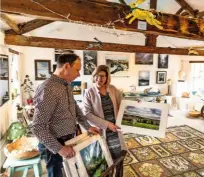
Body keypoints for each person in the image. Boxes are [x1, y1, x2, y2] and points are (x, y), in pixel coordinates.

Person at [32, 54, 99, 177]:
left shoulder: (66, 84)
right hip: (54, 145)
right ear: (67, 66)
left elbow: (74, 107)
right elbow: (37, 127)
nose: (78, 74)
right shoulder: (48, 89)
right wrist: (60, 149)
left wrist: (87, 126)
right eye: (77, 70)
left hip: (69, 140)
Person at [83, 65, 127, 177]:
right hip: (101, 132)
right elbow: (87, 114)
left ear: (107, 77)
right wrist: (107, 124)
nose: (99, 78)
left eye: (102, 76)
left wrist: (135, 104)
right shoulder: (89, 92)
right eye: (97, 75)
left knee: (119, 158)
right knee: (104, 161)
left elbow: (123, 104)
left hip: (115, 131)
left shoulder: (113, 89)